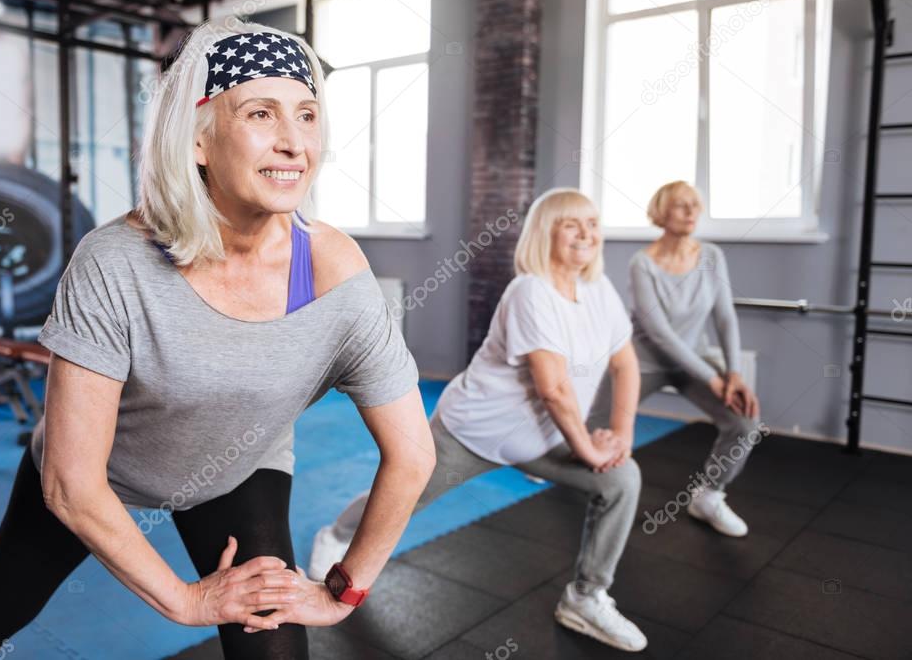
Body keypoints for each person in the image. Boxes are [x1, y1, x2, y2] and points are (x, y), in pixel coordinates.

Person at [0, 20, 436, 660]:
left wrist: (342, 592)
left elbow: (413, 457)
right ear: (198, 139)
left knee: (274, 651)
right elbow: (72, 486)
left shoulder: (333, 275)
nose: (294, 142)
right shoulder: (115, 263)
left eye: (306, 115)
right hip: (99, 475)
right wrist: (184, 599)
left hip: (238, 470)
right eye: (261, 113)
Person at [309, 188, 650, 652]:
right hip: (473, 433)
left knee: (621, 479)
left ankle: (586, 598)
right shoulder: (531, 291)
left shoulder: (598, 289)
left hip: (546, 437)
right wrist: (590, 449)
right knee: (401, 501)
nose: (586, 233)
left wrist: (623, 436)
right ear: (545, 234)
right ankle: (336, 535)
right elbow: (553, 387)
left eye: (592, 223)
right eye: (571, 224)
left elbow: (626, 363)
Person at [588, 180, 760, 538]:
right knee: (595, 425)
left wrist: (733, 374)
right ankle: (552, 461)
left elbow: (724, 316)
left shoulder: (711, 256)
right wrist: (712, 379)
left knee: (744, 423)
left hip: (693, 361)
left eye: (695, 205)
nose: (691, 212)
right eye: (682, 205)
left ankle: (709, 497)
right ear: (662, 213)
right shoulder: (643, 263)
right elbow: (660, 333)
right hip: (644, 362)